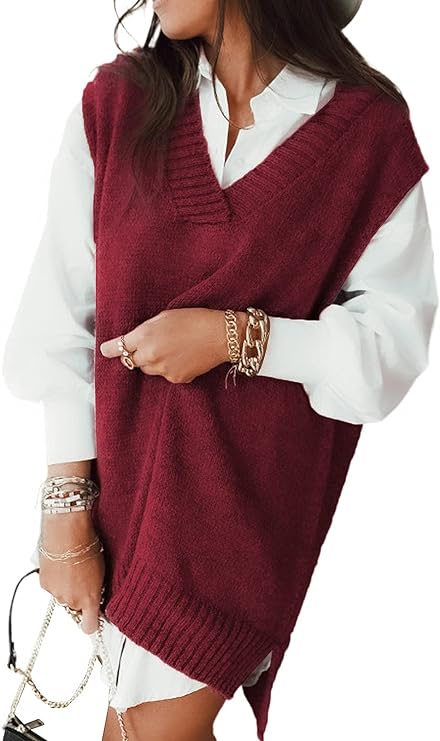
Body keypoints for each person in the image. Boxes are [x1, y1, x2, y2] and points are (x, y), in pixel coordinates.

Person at [2, 1, 437, 740]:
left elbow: (386, 355)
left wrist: (234, 337)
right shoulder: (117, 107)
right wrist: (65, 512)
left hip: (240, 530)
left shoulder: (366, 132)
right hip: (122, 508)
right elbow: (60, 321)